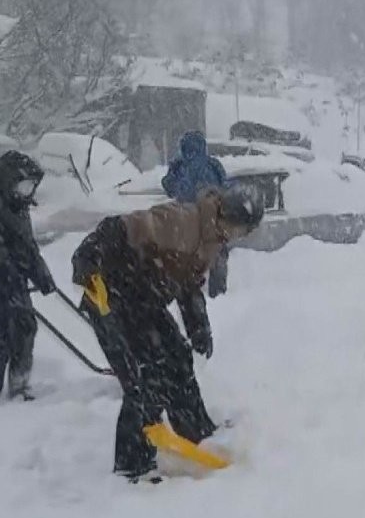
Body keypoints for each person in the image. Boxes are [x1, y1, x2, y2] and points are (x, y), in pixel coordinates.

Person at [71, 184, 264, 482]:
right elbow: (120, 227)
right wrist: (89, 254)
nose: (238, 237)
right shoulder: (181, 220)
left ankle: (195, 429)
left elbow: (188, 285)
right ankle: (132, 464)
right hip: (112, 295)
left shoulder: (213, 238)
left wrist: (198, 325)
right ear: (229, 216)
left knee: (178, 356)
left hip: (144, 301)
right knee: (145, 377)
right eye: (240, 230)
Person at [0, 151, 56, 404]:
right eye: (24, 186)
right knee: (3, 338)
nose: (28, 193)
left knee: (26, 327)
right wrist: (9, 267)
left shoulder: (19, 209)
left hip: (10, 283)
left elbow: (27, 247)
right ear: (8, 182)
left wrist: (41, 275)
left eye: (31, 187)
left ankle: (20, 385)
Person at [161, 130, 231, 298]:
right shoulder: (213, 165)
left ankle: (189, 290)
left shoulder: (180, 167)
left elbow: (168, 187)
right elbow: (224, 186)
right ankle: (219, 291)